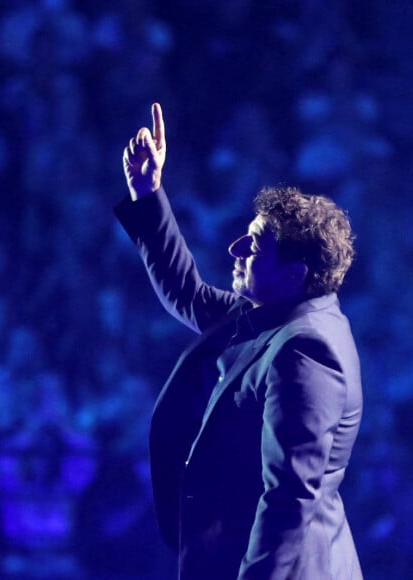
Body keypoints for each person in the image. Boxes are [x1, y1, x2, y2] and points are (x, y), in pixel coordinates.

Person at [114, 103, 363, 579]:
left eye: (255, 246)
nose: (236, 250)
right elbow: (186, 293)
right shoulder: (272, 315)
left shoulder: (305, 350)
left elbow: (289, 497)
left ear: (293, 274)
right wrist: (148, 194)